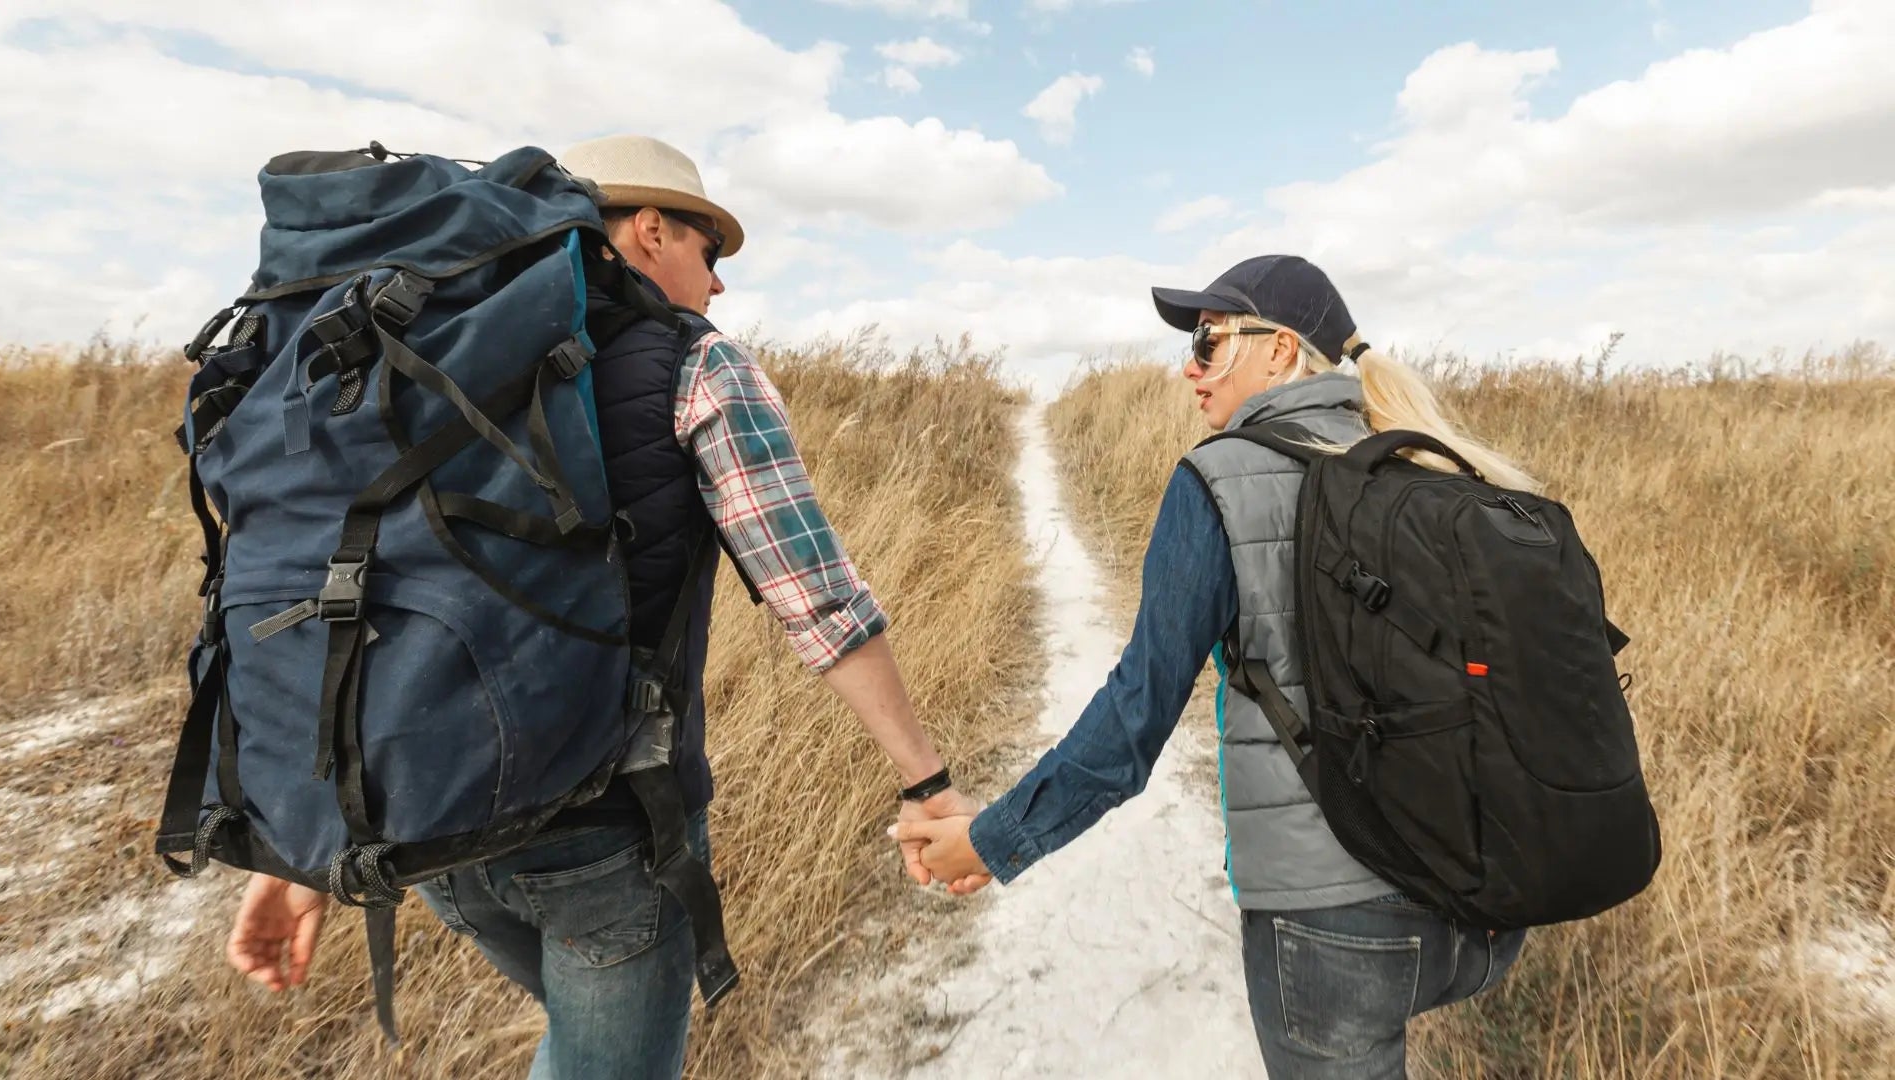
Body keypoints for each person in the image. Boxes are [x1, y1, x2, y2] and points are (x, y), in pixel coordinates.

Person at [224, 134, 982, 1079]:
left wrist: (297, 847)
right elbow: (815, 599)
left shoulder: (417, 359)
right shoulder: (698, 365)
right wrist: (926, 781)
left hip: (433, 830)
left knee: (586, 1049)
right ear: (653, 229)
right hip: (606, 838)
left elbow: (335, 596)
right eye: (712, 254)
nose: (719, 285)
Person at [895, 255, 1530, 1079]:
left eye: (1206, 340)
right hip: (1479, 911)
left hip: (1328, 923)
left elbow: (1135, 717)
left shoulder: (1217, 479)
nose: (1187, 369)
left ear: (1279, 352)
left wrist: (991, 841)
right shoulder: (1428, 464)